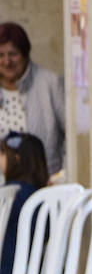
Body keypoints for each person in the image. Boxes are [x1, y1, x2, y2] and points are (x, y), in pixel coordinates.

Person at [0, 22, 64, 177]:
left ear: (25, 54)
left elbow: (73, 136)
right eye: (0, 55)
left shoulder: (49, 83)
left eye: (13, 54)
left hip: (44, 184)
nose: (7, 62)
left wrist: (62, 176)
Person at [0, 131, 48, 274]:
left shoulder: (9, 195)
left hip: (6, 273)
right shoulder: (43, 196)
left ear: (16, 158)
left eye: (2, 154)